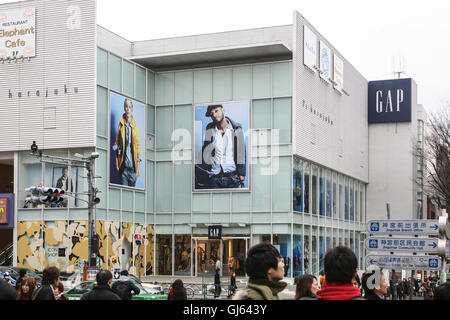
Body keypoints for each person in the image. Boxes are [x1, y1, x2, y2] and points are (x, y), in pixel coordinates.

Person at [198, 104, 247, 189]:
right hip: (215, 177)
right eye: (211, 114)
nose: (214, 115)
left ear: (223, 110)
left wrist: (242, 173)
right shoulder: (209, 129)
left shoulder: (236, 128)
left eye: (216, 111)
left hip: (232, 176)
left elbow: (241, 152)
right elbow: (206, 150)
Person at [113, 98, 141, 187]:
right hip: (123, 169)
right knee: (124, 193)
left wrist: (137, 171)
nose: (127, 109)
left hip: (133, 169)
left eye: (129, 107)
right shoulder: (121, 126)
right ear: (124, 108)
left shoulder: (135, 128)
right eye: (126, 107)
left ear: (132, 109)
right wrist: (117, 165)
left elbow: (138, 149)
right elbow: (116, 145)